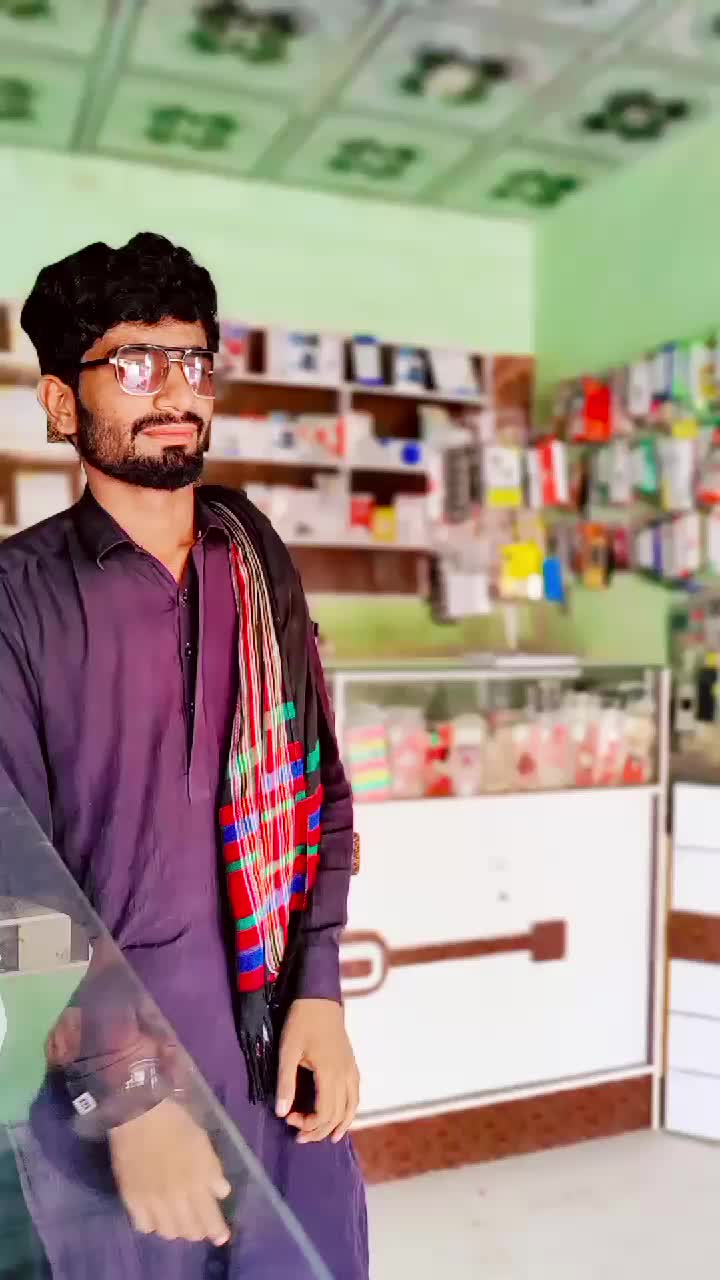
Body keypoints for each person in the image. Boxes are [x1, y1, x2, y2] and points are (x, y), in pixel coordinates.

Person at [0, 233, 368, 1279]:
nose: (174, 390)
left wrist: (322, 989)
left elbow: (319, 788)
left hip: (277, 1060)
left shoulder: (255, 562)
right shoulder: (16, 600)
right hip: (103, 1093)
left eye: (193, 361)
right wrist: (125, 1089)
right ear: (62, 403)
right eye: (134, 363)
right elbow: (9, 879)